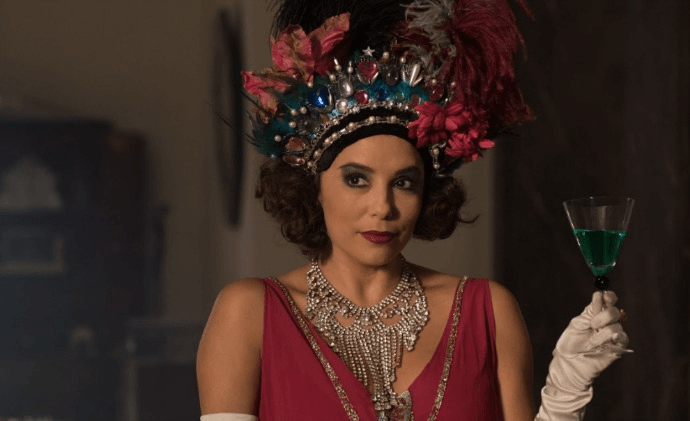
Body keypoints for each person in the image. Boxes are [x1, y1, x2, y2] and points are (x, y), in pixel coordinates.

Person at [196, 1, 629, 420]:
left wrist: (565, 396)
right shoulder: (249, 312)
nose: (382, 207)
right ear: (314, 187)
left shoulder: (487, 310)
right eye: (356, 179)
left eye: (403, 183)